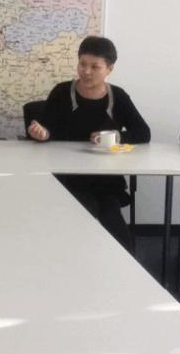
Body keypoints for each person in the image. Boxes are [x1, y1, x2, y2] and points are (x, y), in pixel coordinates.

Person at [28, 36, 151, 252]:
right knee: (84, 217)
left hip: (105, 179)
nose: (86, 71)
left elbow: (143, 132)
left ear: (109, 69)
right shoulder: (61, 92)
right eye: (82, 64)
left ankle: (121, 265)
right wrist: (41, 133)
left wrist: (117, 136)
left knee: (115, 228)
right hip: (67, 177)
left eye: (95, 67)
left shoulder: (117, 96)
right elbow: (45, 128)